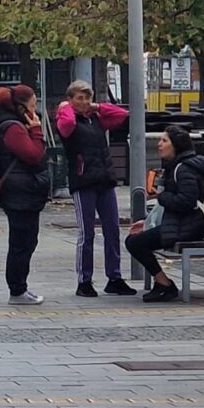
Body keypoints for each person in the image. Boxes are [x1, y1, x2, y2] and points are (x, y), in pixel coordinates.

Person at [56, 80, 137, 298]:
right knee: (87, 232)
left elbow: (121, 115)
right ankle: (84, 280)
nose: (84, 102)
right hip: (83, 181)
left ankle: (115, 277)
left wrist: (98, 107)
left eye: (87, 98)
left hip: (104, 178)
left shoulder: (96, 119)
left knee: (112, 228)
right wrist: (66, 109)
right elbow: (66, 127)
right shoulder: (68, 120)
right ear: (70, 99)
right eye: (79, 98)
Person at [125, 125, 204, 302]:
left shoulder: (184, 169)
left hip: (191, 226)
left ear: (176, 146)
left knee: (136, 243)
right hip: (183, 223)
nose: (159, 144)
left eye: (164, 141)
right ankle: (163, 283)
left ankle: (165, 285)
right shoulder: (175, 166)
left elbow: (186, 202)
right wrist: (148, 223)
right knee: (135, 239)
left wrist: (161, 196)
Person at [0, 85, 51, 306]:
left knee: (25, 240)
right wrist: (36, 130)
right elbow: (33, 155)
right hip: (20, 192)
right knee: (22, 242)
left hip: (22, 191)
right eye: (33, 106)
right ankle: (17, 289)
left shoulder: (9, 124)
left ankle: (20, 287)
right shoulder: (13, 128)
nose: (35, 111)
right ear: (22, 107)